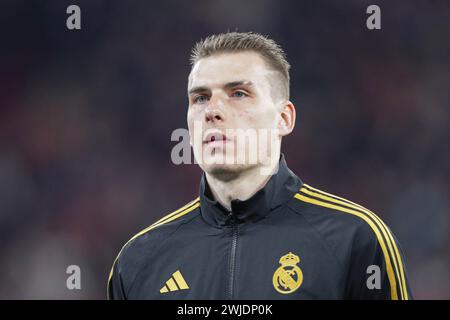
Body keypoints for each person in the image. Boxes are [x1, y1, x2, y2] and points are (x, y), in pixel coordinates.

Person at [107, 32, 412, 299]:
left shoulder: (356, 240)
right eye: (200, 98)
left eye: (239, 93)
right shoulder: (138, 260)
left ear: (284, 118)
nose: (213, 110)